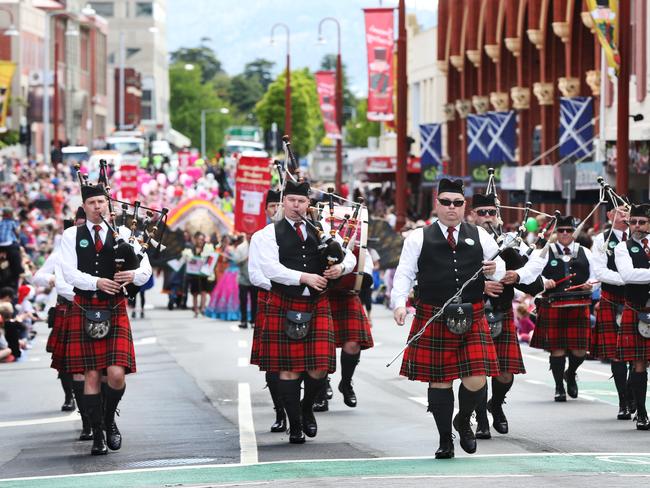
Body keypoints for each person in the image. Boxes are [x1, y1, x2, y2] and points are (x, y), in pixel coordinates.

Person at [392, 178, 504, 459]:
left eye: (457, 203)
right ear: (437, 204)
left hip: (472, 314)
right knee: (440, 382)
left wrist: (494, 269)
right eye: (445, 202)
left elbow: (499, 266)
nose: (451, 208)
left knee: (477, 379)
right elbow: (404, 273)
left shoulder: (480, 235)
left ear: (464, 205)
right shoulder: (418, 237)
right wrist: (399, 303)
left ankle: (464, 419)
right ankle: (445, 440)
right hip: (435, 315)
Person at [251, 179, 354, 444]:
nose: (296, 205)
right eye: (292, 200)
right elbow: (270, 269)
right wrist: (305, 278)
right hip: (284, 301)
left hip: (316, 303)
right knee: (288, 370)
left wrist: (339, 269)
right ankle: (295, 423)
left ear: (309, 204)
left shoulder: (321, 230)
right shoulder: (268, 234)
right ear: (284, 202)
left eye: (302, 201)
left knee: (320, 368)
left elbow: (349, 256)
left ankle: (307, 408)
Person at [60, 182, 152, 455]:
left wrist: (133, 276)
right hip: (86, 305)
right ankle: (98, 435)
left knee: (115, 374)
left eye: (101, 202)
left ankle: (109, 419)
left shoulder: (125, 233)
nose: (97, 207)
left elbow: (145, 268)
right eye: (91, 203)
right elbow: (69, 273)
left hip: (114, 307)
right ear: (84, 206)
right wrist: (97, 282)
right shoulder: (70, 235)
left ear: (107, 205)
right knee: (90, 375)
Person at [469, 193, 545, 439]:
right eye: (482, 213)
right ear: (472, 216)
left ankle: (496, 404)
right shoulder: (462, 241)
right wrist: (481, 286)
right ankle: (481, 417)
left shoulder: (508, 244)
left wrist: (517, 275)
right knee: (477, 372)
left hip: (500, 313)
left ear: (498, 216)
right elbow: (451, 277)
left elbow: (534, 285)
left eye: (491, 212)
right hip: (472, 314)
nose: (487, 217)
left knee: (505, 373)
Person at [530, 215, 595, 402]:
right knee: (556, 349)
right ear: (556, 232)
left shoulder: (585, 252)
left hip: (579, 303)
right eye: (561, 230)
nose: (565, 234)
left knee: (580, 350)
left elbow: (595, 275)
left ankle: (571, 373)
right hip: (553, 304)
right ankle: (559, 387)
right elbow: (532, 274)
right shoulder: (545, 252)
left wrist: (591, 285)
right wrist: (544, 282)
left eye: (569, 230)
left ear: (574, 232)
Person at [590, 198, 634, 420]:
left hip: (638, 299)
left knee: (638, 355)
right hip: (613, 298)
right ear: (609, 216)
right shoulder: (601, 240)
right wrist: (628, 279)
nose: (625, 215)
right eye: (620, 211)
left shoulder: (642, 239)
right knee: (618, 355)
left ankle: (634, 395)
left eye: (627, 211)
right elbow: (599, 272)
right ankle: (623, 401)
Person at [249, 189, 286, 433]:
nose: (276, 210)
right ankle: (279, 411)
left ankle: (300, 408)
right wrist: (283, 284)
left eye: (279, 205)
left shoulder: (306, 235)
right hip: (271, 298)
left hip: (300, 299)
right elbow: (255, 274)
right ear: (265, 210)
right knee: (273, 362)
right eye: (272, 206)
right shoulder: (260, 237)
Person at [613, 203, 650, 430]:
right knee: (639, 364)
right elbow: (628, 275)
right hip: (637, 309)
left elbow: (638, 274)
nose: (637, 226)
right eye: (633, 221)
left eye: (642, 222)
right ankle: (642, 413)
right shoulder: (622, 248)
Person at [205, 235, 240, 320]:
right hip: (232, 271)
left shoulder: (230, 249)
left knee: (232, 292)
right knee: (230, 292)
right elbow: (225, 259)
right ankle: (231, 312)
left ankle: (231, 312)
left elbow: (225, 259)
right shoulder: (234, 249)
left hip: (232, 271)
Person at [233, 233, 256, 329]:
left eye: (251, 234)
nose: (250, 236)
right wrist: (245, 259)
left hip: (255, 278)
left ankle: (254, 321)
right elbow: (236, 261)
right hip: (243, 278)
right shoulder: (240, 247)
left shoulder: (258, 245)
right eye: (248, 234)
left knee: (255, 301)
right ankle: (243, 321)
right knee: (243, 301)